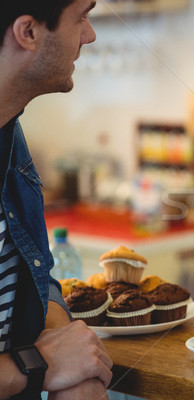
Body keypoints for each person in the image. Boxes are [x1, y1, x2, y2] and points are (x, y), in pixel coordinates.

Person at [0, 1, 113, 399]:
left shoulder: (9, 136)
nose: (90, 35)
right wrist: (34, 364)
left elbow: (34, 275)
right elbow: (37, 362)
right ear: (28, 32)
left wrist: (65, 343)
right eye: (81, 17)